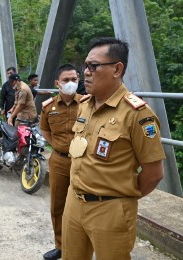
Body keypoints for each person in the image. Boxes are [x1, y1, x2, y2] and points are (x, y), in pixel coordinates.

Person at [62, 37, 165, 259]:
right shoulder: (85, 105)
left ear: (117, 69)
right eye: (85, 66)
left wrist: (120, 197)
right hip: (74, 201)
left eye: (94, 66)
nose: (86, 72)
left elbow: (154, 174)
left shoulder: (137, 114)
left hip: (110, 209)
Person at [39, 64, 82, 260]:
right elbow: (45, 129)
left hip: (83, 162)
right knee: (58, 204)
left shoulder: (87, 104)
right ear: (57, 83)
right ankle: (61, 245)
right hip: (59, 160)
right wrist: (56, 144)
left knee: (84, 204)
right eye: (66, 80)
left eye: (74, 79)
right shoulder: (49, 107)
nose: (70, 83)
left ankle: (81, 246)